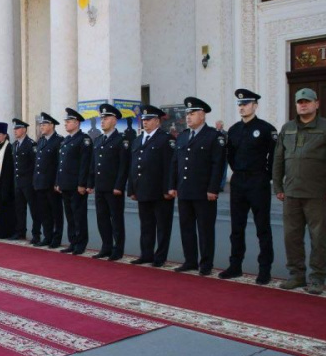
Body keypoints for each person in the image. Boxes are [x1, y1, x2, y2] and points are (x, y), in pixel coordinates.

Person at [272, 87, 326, 295]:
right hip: (291, 194)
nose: (303, 105)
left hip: (318, 194)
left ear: (317, 104)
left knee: (318, 238)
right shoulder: (287, 128)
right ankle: (296, 275)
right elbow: (278, 158)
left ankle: (317, 278)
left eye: (307, 101)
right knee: (291, 236)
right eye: (299, 102)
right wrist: (277, 186)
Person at [218, 89, 277, 284]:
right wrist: (239, 171)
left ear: (255, 105)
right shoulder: (234, 130)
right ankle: (235, 265)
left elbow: (274, 156)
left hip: (258, 182)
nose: (242, 107)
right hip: (239, 181)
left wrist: (265, 175)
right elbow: (230, 156)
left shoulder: (267, 129)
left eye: (246, 104)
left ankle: (264, 269)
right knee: (237, 227)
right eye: (240, 105)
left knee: (263, 228)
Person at [169, 97, 226, 276]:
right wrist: (172, 185)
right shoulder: (184, 135)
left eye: (192, 113)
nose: (188, 117)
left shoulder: (213, 136)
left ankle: (206, 263)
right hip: (185, 190)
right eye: (187, 114)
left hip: (203, 192)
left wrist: (213, 189)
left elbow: (218, 164)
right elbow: (175, 163)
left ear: (202, 115)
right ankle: (190, 260)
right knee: (186, 228)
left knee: (205, 229)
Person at [127, 105, 175, 267]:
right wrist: (132, 189)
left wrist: (168, 189)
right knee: (146, 225)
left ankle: (160, 257)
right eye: (143, 119)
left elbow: (169, 167)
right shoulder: (138, 140)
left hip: (160, 191)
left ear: (156, 121)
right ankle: (146, 254)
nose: (144, 122)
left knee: (162, 226)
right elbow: (133, 166)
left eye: (148, 120)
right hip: (143, 190)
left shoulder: (166, 139)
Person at [86, 103, 129, 260]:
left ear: (115, 120)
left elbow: (123, 166)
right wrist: (90, 184)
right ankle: (106, 247)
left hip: (113, 188)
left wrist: (119, 186)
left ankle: (118, 249)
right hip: (100, 187)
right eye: (101, 118)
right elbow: (93, 164)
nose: (102, 121)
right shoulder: (97, 140)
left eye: (106, 118)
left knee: (116, 219)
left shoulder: (121, 140)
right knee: (102, 218)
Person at [55, 108, 92, 255]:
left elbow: (85, 164)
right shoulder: (66, 140)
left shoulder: (84, 139)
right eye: (65, 122)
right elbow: (61, 164)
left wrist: (82, 184)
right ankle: (73, 242)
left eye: (68, 122)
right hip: (65, 184)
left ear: (77, 123)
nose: (66, 124)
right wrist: (58, 182)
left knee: (79, 216)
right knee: (70, 216)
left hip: (77, 185)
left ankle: (81, 243)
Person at [33, 112, 64, 248]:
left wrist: (57, 182)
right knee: (44, 212)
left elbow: (60, 164)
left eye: (44, 124)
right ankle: (47, 236)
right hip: (40, 183)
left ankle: (56, 238)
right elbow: (37, 163)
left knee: (56, 212)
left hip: (52, 183)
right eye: (41, 124)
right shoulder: (41, 141)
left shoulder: (59, 141)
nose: (41, 127)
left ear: (52, 125)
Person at [10, 118, 41, 244]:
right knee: (19, 209)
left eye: (17, 129)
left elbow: (35, 165)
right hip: (18, 182)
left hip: (29, 182)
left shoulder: (31, 144)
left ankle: (36, 234)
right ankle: (20, 231)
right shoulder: (15, 145)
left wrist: (34, 182)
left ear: (24, 130)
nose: (15, 131)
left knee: (34, 209)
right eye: (14, 129)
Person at [215, 120, 228, 192]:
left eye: (218, 124)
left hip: (224, 155)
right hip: (216, 155)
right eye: (216, 124)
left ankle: (221, 186)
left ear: (221, 125)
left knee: (224, 171)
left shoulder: (226, 134)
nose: (216, 125)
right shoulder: (214, 133)